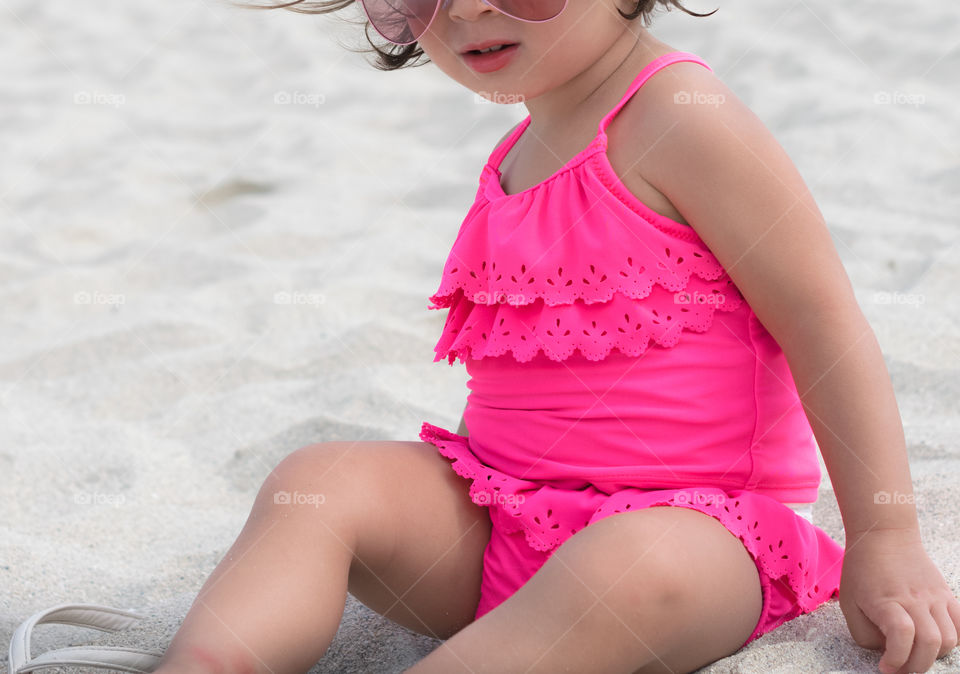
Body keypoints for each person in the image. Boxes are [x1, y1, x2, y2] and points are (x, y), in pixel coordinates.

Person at [154, 1, 960, 672]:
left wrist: (885, 536)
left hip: (705, 539)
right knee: (320, 480)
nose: (467, 9)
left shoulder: (681, 115)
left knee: (624, 569)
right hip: (508, 524)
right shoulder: (520, 151)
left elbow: (823, 321)